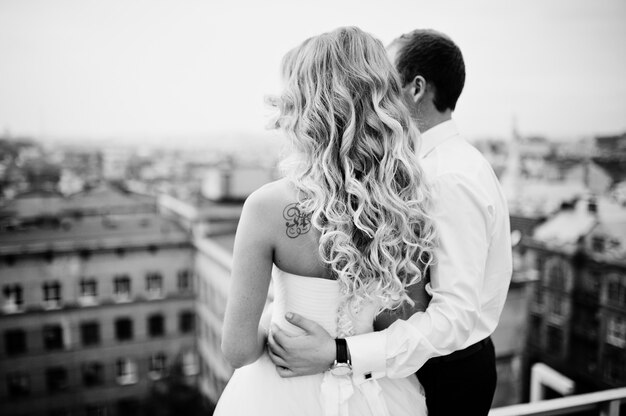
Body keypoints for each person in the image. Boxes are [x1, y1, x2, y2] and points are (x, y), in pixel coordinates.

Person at [268, 29, 513, 416]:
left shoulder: (446, 178)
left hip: (445, 373)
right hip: (421, 363)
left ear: (416, 88)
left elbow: (454, 318)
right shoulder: (433, 167)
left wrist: (341, 353)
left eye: (385, 81)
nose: (375, 92)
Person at [213, 26, 435, 416]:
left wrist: (276, 319)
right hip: (379, 392)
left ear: (306, 108)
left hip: (281, 393)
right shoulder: (406, 203)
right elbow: (401, 327)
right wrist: (342, 346)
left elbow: (238, 349)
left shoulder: (266, 207)